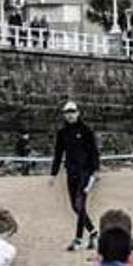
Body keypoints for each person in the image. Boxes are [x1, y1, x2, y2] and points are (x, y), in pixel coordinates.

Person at [49, 101, 100, 252]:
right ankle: (94, 233)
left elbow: (94, 151)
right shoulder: (62, 133)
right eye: (67, 112)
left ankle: (78, 239)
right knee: (74, 206)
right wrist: (53, 173)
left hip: (85, 172)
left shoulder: (86, 131)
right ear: (64, 115)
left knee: (80, 204)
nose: (70, 115)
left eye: (72, 112)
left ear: (78, 113)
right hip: (71, 172)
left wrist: (96, 170)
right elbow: (58, 154)